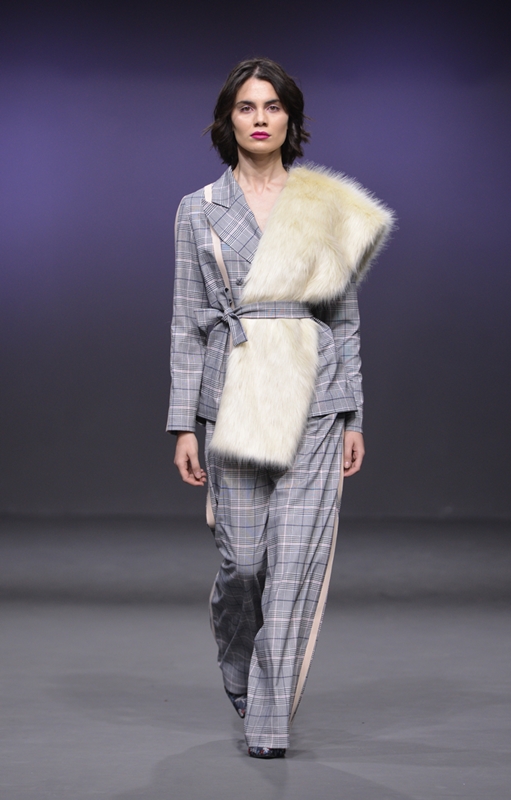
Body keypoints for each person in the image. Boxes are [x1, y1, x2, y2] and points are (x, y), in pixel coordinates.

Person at [167, 57, 394, 758]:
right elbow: (186, 320)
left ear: (290, 118)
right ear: (227, 119)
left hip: (314, 396)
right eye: (246, 106)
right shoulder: (198, 208)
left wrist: (353, 413)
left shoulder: (320, 205)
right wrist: (183, 423)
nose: (260, 117)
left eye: (272, 106)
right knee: (243, 563)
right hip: (235, 393)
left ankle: (268, 721)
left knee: (294, 565)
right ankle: (239, 667)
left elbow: (344, 318)